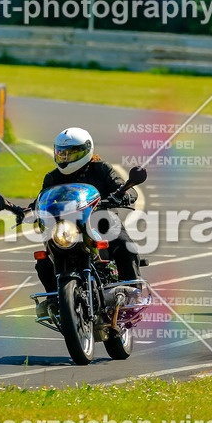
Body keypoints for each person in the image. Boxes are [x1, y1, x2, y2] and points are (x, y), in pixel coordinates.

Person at [32, 128, 141, 316]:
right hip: (67, 228)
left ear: (85, 151)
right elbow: (41, 200)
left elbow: (123, 187)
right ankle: (54, 299)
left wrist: (124, 195)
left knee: (124, 245)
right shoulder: (52, 178)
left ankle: (133, 290)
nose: (66, 158)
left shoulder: (100, 169)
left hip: (101, 220)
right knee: (43, 259)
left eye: (71, 153)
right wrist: (25, 209)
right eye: (62, 153)